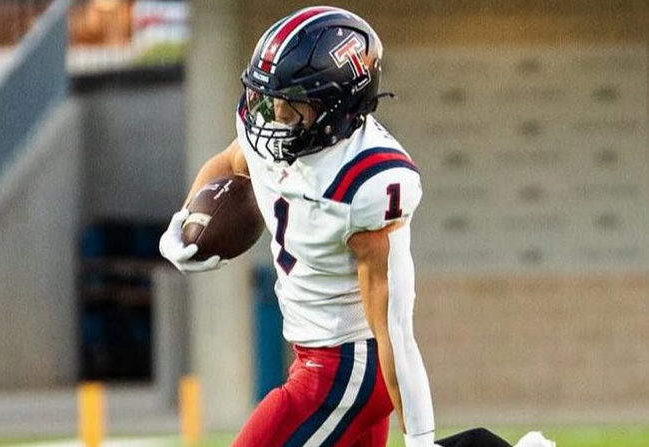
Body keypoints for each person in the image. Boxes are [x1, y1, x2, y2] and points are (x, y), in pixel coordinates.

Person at [159, 6, 556, 447]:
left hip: (346, 368)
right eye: (268, 98)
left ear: (337, 107)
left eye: (293, 103)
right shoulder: (275, 132)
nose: (274, 114)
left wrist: (420, 438)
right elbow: (233, 161)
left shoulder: (366, 182)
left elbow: (394, 331)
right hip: (314, 356)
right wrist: (185, 218)